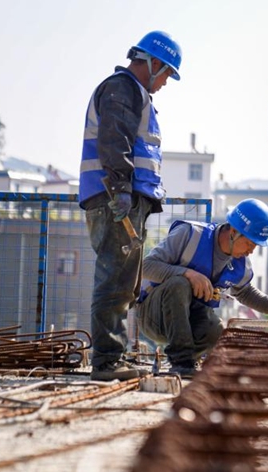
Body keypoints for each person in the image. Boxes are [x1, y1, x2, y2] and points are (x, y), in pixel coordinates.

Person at [78, 31, 182, 381]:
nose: (166, 81)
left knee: (125, 281)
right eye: (167, 72)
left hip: (124, 198)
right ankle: (107, 362)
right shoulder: (122, 89)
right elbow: (114, 140)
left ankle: (114, 355)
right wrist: (121, 190)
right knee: (114, 278)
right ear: (153, 63)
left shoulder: (135, 93)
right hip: (115, 198)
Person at [135, 198, 268, 378]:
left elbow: (245, 292)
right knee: (179, 284)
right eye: (249, 243)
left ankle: (188, 357)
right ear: (234, 232)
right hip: (153, 316)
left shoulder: (241, 264)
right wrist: (187, 273)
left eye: (255, 246)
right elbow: (146, 266)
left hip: (187, 320)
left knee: (216, 332)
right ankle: (182, 363)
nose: (251, 250)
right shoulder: (190, 235)